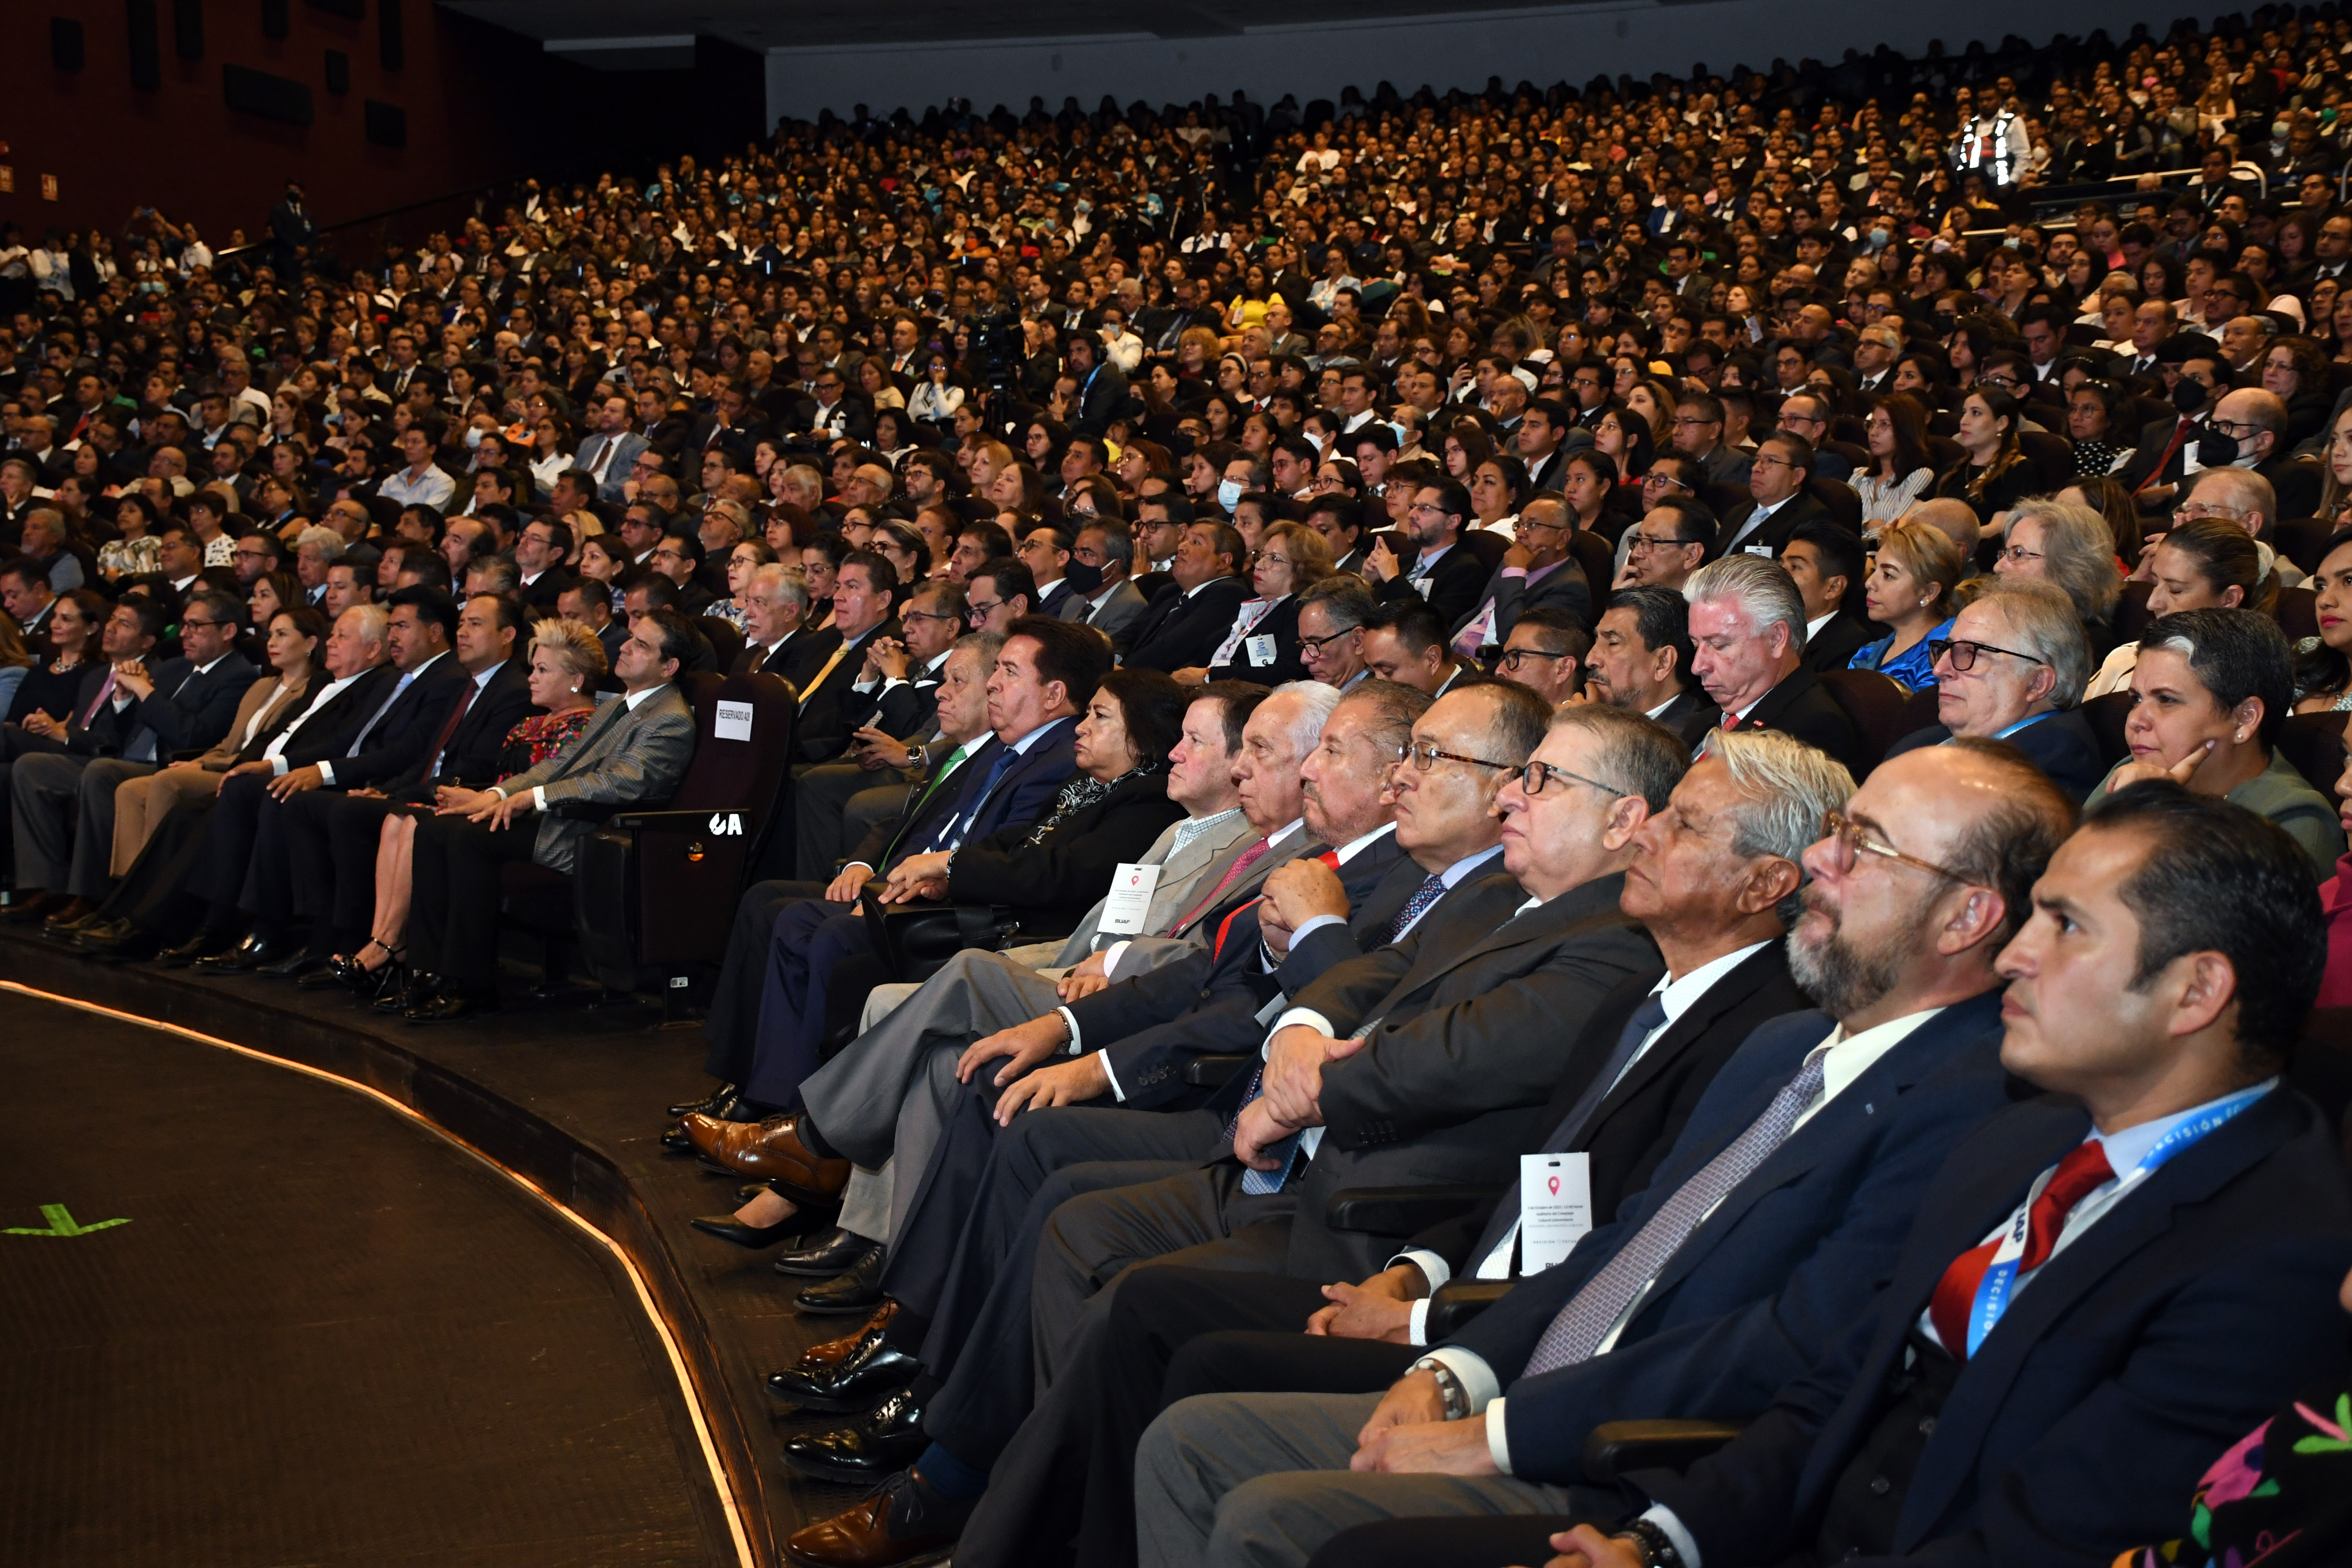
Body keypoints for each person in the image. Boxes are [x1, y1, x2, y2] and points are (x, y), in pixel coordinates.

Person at [1129, 739, 2073, 1568]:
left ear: (1967, 919)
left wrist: (1495, 1431)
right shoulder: (1782, 1049)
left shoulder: (1973, 1104)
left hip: (1640, 1457)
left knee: (1260, 1501)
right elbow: (1613, 1237)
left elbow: (1788, 1344)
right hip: (1529, 1367)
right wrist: (1455, 1374)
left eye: (1863, 845)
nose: (1823, 856)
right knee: (1192, 1438)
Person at [947, 728, 1842, 1568]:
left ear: (1766, 884)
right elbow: (1372, 984)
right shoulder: (1518, 908)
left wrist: (1431, 1320)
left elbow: (1572, 1198)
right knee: (1093, 1237)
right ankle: (967, 1482)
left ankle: (981, 1511)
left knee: (1148, 1318)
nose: (1648, 831)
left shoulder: (1662, 979)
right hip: (1402, 1234)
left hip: (1404, 1236)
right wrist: (1304, 1034)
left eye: (1542, 778)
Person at [1396, 786, 2351, 1568]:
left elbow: (2054, 1537)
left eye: (2065, 927)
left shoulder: (2275, 1246)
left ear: (2196, 992)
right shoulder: (2022, 1143)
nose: (2015, 953)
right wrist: (1659, 1545)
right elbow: (1838, 1386)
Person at [689, 684, 1269, 1257]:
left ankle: (812, 1147)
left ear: (1242, 760)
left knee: (954, 971)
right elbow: (1091, 917)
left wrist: (1106, 960)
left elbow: (1168, 944)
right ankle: (869, 1236)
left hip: (1115, 1001)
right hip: (1071, 964)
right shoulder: (1177, 828)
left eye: (1194, 741)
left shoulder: (1229, 838)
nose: (1175, 751)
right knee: (911, 1026)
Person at [391, 608, 699, 1021]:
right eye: (630, 637)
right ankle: (427, 972)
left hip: (595, 833)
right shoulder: (617, 707)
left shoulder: (671, 719)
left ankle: (471, 983)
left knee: (467, 838)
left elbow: (621, 782)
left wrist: (530, 799)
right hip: (565, 817)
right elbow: (562, 762)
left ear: (669, 666)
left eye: (641, 645)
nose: (624, 647)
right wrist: (497, 793)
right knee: (435, 830)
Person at [312, 616, 601, 998]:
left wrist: (477, 800)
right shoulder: (528, 724)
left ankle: (393, 951)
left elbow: (554, 790)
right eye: (533, 668)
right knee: (397, 819)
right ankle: (383, 940)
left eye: (543, 670)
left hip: (531, 821)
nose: (531, 677)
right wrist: (471, 796)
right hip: (494, 810)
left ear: (576, 678)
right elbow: (502, 783)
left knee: (420, 825)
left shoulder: (585, 726)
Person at [2084, 608, 2346, 880]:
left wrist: (2153, 818)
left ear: (2244, 719)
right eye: (2136, 699)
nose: (2135, 720)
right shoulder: (2137, 772)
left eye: (2166, 699)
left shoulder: (2294, 827)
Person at [1885, 579, 2107, 800]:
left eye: (1972, 653)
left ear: (2037, 683)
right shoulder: (1921, 741)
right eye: (1946, 649)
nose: (1940, 670)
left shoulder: (2050, 767)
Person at [1683, 554, 1864, 773]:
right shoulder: (1705, 721)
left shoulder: (1808, 733)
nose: (1698, 666)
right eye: (1696, 645)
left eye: (1720, 645)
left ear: (1776, 639)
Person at [1449, 496, 1593, 662]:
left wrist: (1515, 573)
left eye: (1532, 525)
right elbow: (1481, 612)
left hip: (1492, 667)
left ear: (1562, 539)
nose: (1520, 533)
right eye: (1520, 524)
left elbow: (1515, 641)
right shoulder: (1515, 559)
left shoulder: (1570, 588)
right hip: (1457, 652)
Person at [1582, 586, 1718, 743]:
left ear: (1663, 663)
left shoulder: (1692, 742)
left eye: (1613, 643)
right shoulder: (1612, 723)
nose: (1590, 659)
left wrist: (1581, 732)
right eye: (1596, 641)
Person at [1994, 495, 2124, 655]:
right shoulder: (2009, 629)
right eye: (2005, 553)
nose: (1998, 567)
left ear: (2069, 569)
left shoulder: (2087, 648)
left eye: (2018, 553)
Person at [1848, 519, 1963, 693]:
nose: (1870, 583)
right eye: (1874, 571)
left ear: (1929, 592)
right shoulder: (1867, 653)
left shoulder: (1949, 657)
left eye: (1888, 575)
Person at [1931, 388, 2038, 528]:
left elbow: (1999, 527)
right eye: (1964, 413)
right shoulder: (1955, 468)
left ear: (2002, 423)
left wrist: (1949, 540)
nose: (1963, 421)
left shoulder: (2019, 470)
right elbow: (1919, 508)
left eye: (1976, 413)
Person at [1848, 393, 1936, 527]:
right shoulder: (1859, 475)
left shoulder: (1920, 476)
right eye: (1872, 424)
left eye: (1884, 425)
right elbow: (1839, 526)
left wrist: (1860, 529)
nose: (1873, 432)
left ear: (1906, 429)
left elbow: (1895, 531)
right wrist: (1867, 526)